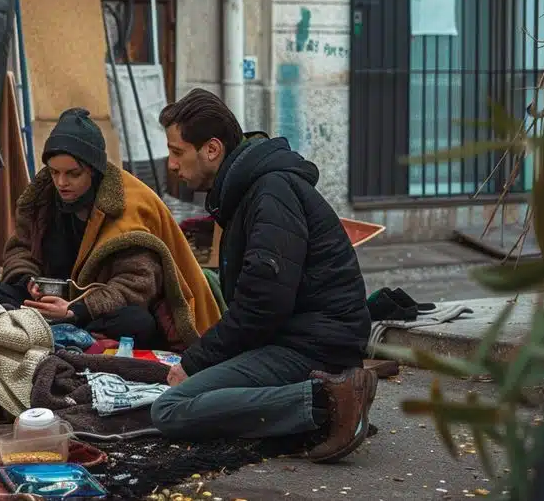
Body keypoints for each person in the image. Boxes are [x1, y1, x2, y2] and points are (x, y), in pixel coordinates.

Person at [150, 88, 375, 463]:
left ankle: (328, 399)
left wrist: (195, 361)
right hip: (298, 338)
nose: (172, 164)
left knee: (169, 409)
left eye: (177, 151)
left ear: (211, 149)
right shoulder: (251, 189)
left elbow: (263, 302)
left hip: (314, 346)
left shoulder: (271, 190)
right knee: (190, 390)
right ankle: (324, 398)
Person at [0, 108, 222, 351]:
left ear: (93, 170)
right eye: (54, 172)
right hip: (47, 301)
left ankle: (65, 334)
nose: (61, 183)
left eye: (73, 174)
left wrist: (75, 311)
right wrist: (29, 280)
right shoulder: (41, 199)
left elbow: (136, 284)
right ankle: (55, 332)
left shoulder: (127, 206)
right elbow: (21, 248)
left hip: (94, 311)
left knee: (137, 322)